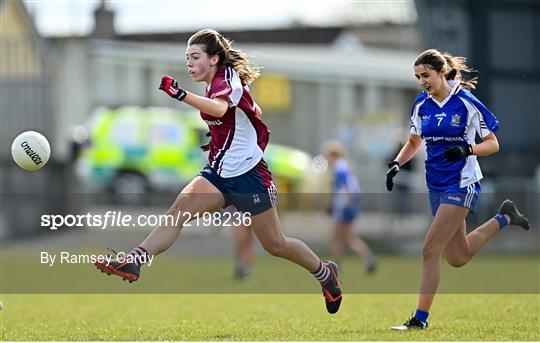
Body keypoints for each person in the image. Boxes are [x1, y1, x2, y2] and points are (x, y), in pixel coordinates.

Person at [94, 29, 342, 314]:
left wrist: (181, 94)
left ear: (214, 59)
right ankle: (134, 260)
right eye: (187, 57)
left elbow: (221, 109)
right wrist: (224, 136)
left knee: (275, 244)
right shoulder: (218, 82)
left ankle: (326, 273)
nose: (189, 63)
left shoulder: (226, 77)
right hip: (219, 174)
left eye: (195, 57)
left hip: (250, 175)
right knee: (178, 211)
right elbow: (248, 111)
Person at [386, 49, 530, 330]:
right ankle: (505, 217)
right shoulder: (421, 105)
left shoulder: (465, 101)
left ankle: (419, 320)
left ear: (442, 72)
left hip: (462, 183)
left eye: (425, 75)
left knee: (429, 250)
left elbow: (493, 142)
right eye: (417, 77)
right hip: (435, 184)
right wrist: (396, 163)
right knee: (458, 257)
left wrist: (468, 149)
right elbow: (414, 141)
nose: (421, 81)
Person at [323, 139, 376, 274]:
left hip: (344, 206)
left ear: (333, 154)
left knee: (337, 238)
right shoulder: (343, 165)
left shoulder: (339, 167)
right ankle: (368, 259)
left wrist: (344, 204)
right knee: (348, 237)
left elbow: (346, 188)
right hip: (347, 205)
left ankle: (336, 266)